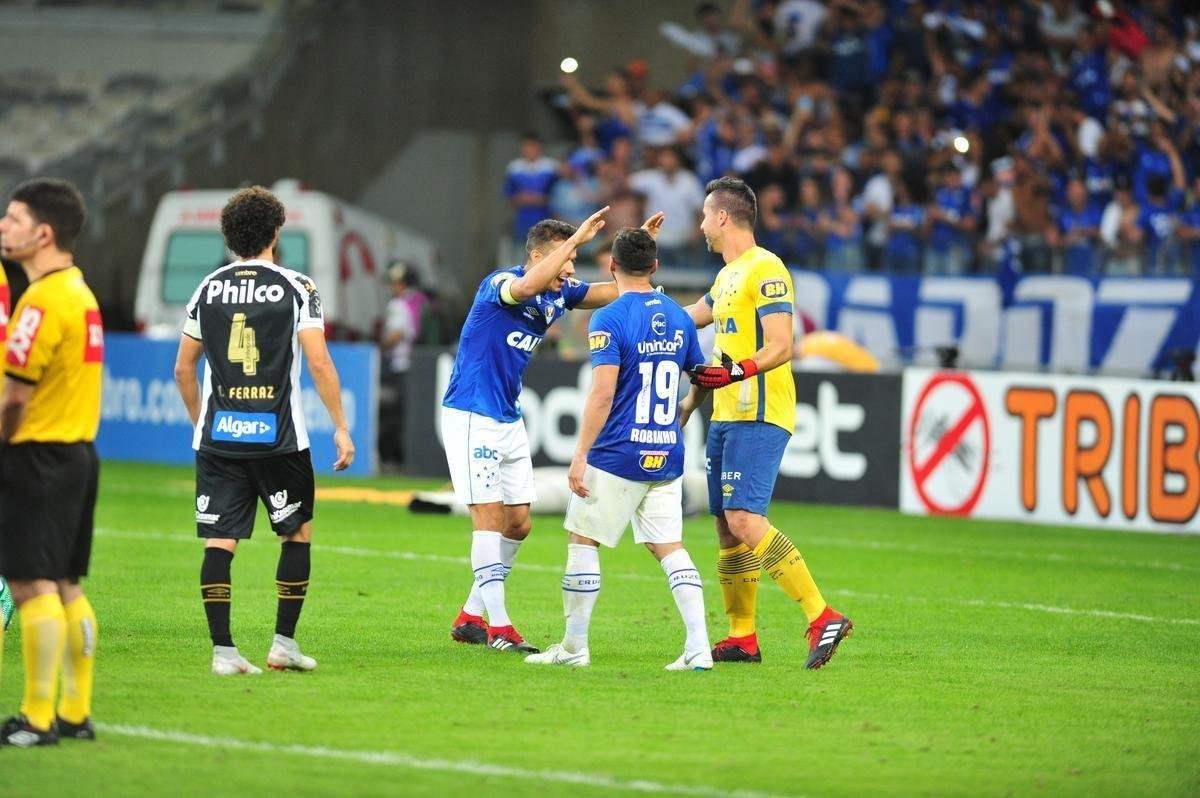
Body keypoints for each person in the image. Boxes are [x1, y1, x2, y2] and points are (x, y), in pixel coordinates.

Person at [442, 207, 665, 653]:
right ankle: (500, 626)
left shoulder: (556, 294)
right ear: (540, 256)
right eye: (564, 265)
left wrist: (634, 249)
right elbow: (525, 286)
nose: (569, 275)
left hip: (507, 418)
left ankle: (470, 615)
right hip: (471, 415)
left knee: (519, 523)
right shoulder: (500, 285)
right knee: (487, 521)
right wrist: (576, 239)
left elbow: (615, 291)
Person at [173, 186, 354, 677]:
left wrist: (201, 424)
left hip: (218, 437)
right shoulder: (297, 286)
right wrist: (340, 426)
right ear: (276, 232)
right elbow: (318, 360)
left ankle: (223, 652)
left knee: (219, 542)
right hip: (278, 438)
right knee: (296, 533)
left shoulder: (206, 288)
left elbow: (183, 371)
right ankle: (282, 645)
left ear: (229, 238)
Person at [682, 176, 852, 670]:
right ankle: (742, 636)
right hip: (727, 413)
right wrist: (639, 303)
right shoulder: (725, 276)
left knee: (744, 519)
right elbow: (695, 322)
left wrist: (735, 373)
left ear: (722, 217)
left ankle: (822, 616)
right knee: (726, 528)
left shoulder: (767, 268)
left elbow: (781, 344)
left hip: (759, 410)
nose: (700, 227)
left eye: (704, 216)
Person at [524, 228, 711, 670]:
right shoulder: (680, 316)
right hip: (666, 452)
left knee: (582, 537)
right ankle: (699, 647)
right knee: (670, 546)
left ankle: (573, 649)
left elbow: (602, 394)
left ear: (611, 266)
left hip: (617, 453)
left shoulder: (607, 318)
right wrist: (685, 408)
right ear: (656, 267)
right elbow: (703, 375)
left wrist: (579, 455)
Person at [0, 178, 103, 745]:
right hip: (79, 453)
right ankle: (75, 711)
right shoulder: (81, 293)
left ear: (43, 232)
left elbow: (15, 395)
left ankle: (36, 720)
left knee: (29, 585)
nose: (3, 226)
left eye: (12, 218)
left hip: (37, 455)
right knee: (67, 584)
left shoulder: (40, 301)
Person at [378, 262, 418, 467]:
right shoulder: (421, 301)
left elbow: (395, 335)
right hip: (419, 365)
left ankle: (392, 459)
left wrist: (379, 350)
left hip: (399, 365)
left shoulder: (398, 304)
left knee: (392, 415)